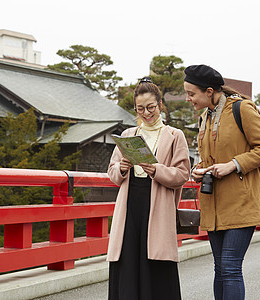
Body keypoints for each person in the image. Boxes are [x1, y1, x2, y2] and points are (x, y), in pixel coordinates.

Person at [184, 65, 260, 300]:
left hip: (242, 201)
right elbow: (207, 156)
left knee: (230, 267)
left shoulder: (242, 109)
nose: (188, 99)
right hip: (214, 203)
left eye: (191, 93)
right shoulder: (205, 117)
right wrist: (198, 169)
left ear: (208, 91)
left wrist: (233, 164)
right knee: (219, 268)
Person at [107, 77, 191, 300]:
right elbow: (112, 174)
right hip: (130, 206)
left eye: (151, 107)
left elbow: (182, 174)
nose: (146, 113)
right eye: (140, 108)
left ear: (160, 105)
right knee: (127, 260)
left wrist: (156, 170)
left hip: (157, 206)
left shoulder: (175, 136)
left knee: (156, 260)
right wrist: (122, 168)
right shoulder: (128, 135)